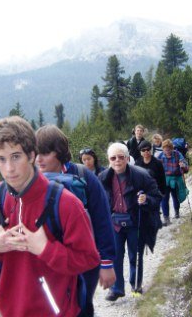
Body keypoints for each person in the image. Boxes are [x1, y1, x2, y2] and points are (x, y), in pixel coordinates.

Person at [0, 116, 100, 317]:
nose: (9, 168)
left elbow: (88, 259)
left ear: (31, 154)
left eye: (16, 156)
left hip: (57, 311)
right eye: (1, 159)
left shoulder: (65, 203)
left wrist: (45, 249)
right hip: (8, 310)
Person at [36, 125, 116, 317]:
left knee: (80, 307)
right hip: (49, 259)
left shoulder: (83, 176)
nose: (38, 159)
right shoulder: (31, 180)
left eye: (45, 153)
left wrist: (107, 263)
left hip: (84, 260)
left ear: (60, 152)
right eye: (35, 153)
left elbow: (102, 220)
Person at [98, 142, 163, 301]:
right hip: (115, 223)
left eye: (121, 157)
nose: (117, 161)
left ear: (127, 158)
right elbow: (97, 202)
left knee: (136, 255)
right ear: (108, 160)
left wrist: (146, 199)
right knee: (115, 256)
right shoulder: (103, 178)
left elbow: (157, 196)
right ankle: (117, 289)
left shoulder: (142, 175)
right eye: (113, 158)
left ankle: (136, 285)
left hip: (136, 222)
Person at [158, 139, 189, 226]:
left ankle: (177, 212)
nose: (167, 151)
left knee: (175, 197)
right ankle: (166, 218)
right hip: (164, 180)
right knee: (164, 199)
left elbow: (185, 166)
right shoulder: (160, 156)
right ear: (163, 149)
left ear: (172, 148)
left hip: (175, 179)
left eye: (168, 149)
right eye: (165, 149)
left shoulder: (177, 154)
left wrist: (183, 166)